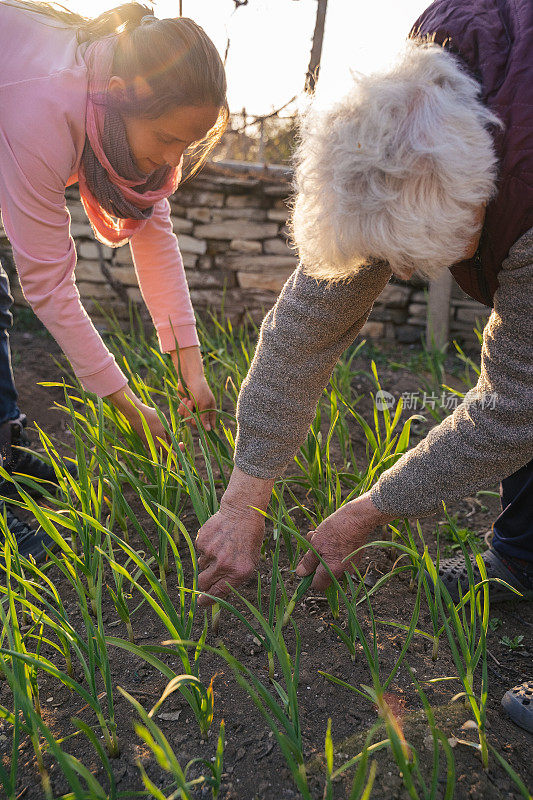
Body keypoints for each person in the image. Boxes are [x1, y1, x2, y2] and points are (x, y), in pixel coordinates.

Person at [195, 0, 533, 734]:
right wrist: (242, 498)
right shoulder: (398, 111)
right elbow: (305, 328)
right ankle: (520, 560)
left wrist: (366, 511)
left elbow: (517, 404)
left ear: (481, 192)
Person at [0, 0, 228, 559]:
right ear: (122, 93)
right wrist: (129, 406)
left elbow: (155, 238)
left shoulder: (117, 111)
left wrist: (190, 369)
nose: (172, 161)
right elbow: (50, 286)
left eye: (187, 144)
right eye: (166, 138)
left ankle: (4, 439)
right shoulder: (44, 105)